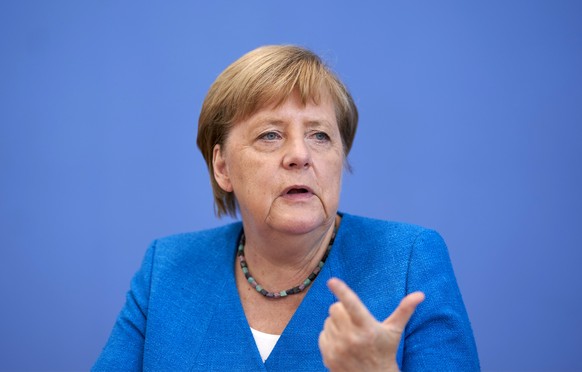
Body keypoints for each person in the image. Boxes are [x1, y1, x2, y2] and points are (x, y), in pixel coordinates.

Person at [93, 45, 480, 371]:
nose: (300, 154)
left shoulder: (408, 261)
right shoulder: (168, 269)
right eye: (270, 135)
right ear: (223, 167)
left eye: (320, 135)